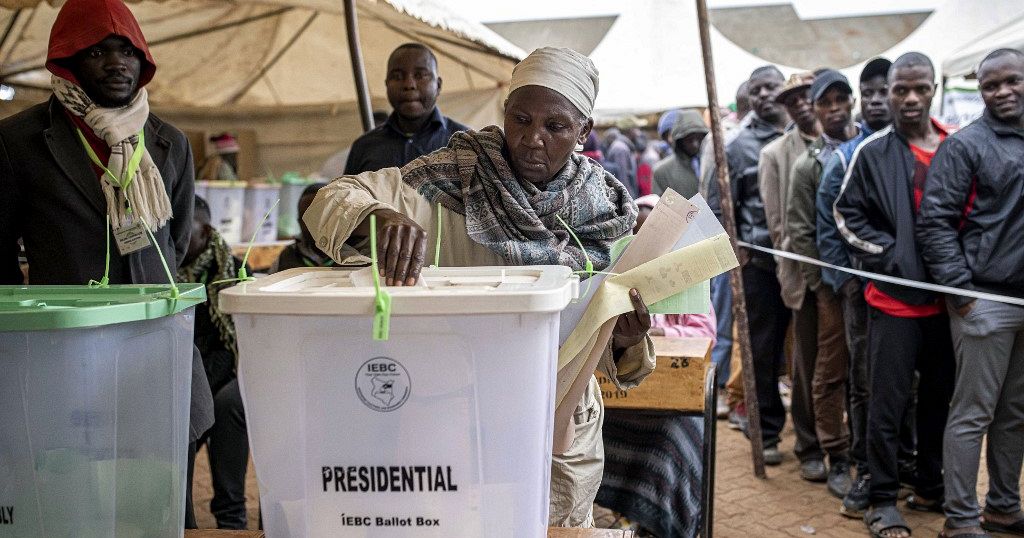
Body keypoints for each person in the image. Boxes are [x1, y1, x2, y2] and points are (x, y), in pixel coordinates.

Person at [303, 46, 655, 527]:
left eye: (555, 127)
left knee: (551, 530)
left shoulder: (606, 213)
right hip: (451, 413)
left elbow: (611, 343)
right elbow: (332, 198)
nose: (532, 139)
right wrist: (377, 217)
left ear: (583, 132)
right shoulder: (452, 181)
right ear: (504, 114)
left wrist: (628, 338)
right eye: (520, 119)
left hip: (558, 424)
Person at [0, 0, 214, 527]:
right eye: (98, 51)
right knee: (70, 499)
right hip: (62, 351)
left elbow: (177, 242)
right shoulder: (20, 141)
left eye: (127, 50)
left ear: (143, 61)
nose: (117, 63)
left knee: (157, 500)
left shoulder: (169, 144)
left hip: (152, 350)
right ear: (68, 62)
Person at [834, 52, 956, 538]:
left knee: (938, 400)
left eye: (918, 89)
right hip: (891, 304)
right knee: (887, 403)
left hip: (948, 304)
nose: (908, 98)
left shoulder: (954, 146)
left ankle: (929, 483)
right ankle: (882, 498)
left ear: (933, 90)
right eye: (898, 90)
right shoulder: (873, 151)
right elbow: (846, 215)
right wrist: (888, 255)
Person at [917, 48, 1024, 538]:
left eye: (1012, 81)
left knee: (1015, 414)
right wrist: (962, 294)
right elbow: (935, 221)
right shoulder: (965, 145)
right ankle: (960, 519)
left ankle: (1003, 507)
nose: (1003, 91)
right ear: (979, 89)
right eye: (991, 84)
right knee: (972, 413)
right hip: (985, 301)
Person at [814, 57, 915, 519]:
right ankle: (864, 468)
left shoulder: (910, 150)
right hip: (859, 291)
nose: (877, 100)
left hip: (911, 292)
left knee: (902, 385)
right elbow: (831, 231)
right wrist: (847, 286)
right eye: (870, 92)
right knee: (863, 381)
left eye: (881, 91)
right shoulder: (847, 157)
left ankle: (904, 463)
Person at [596, 193, 717, 538]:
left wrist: (659, 329)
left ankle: (658, 521)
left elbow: (706, 332)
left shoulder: (685, 274)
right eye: (637, 233)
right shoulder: (614, 272)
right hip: (618, 394)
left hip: (670, 398)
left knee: (671, 440)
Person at [706, 65, 790, 465]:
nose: (764, 96)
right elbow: (717, 205)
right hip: (758, 264)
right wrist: (733, 249)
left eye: (771, 87)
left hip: (804, 264)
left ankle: (812, 437)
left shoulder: (802, 134)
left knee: (805, 356)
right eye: (756, 90)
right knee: (761, 349)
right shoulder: (737, 147)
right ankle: (766, 428)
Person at [786, 70, 860, 498]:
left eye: (840, 99)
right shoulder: (807, 163)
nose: (834, 108)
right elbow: (800, 232)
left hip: (869, 283)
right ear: (814, 110)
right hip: (829, 287)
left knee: (865, 370)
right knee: (827, 369)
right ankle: (834, 452)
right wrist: (821, 287)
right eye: (825, 102)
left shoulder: (868, 145)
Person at [757, 71, 825, 477]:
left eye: (807, 96)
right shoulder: (775, 155)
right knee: (805, 362)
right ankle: (809, 444)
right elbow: (779, 225)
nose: (800, 104)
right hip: (803, 274)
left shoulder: (845, 142)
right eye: (792, 99)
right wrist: (801, 275)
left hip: (849, 279)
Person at [177, 195, 252, 529]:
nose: (175, 236)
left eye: (183, 228)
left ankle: (231, 521)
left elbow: (237, 344)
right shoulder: (164, 274)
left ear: (206, 229)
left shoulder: (232, 271)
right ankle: (181, 522)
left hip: (225, 373)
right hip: (186, 373)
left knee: (223, 406)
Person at [700, 80, 752, 422]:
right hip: (724, 245)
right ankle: (720, 391)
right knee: (725, 320)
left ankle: (734, 391)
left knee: (736, 323)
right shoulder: (722, 142)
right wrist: (722, 247)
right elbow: (712, 195)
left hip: (737, 246)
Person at [343, 43, 468, 175]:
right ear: (386, 85)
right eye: (397, 77)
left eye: (420, 75)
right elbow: (346, 195)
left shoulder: (464, 143)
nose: (409, 84)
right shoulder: (363, 147)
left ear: (438, 85)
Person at [271, 182, 347, 272]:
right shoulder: (287, 257)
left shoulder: (353, 256)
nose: (312, 224)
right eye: (306, 218)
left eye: (319, 216)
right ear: (299, 221)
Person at [652, 109, 709, 198]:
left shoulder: (716, 163)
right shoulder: (662, 172)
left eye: (699, 138)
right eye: (689, 140)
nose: (695, 144)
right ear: (680, 141)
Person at [602, 127, 639, 197]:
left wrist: (625, 194)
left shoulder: (619, 147)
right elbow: (622, 174)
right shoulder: (619, 147)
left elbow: (623, 173)